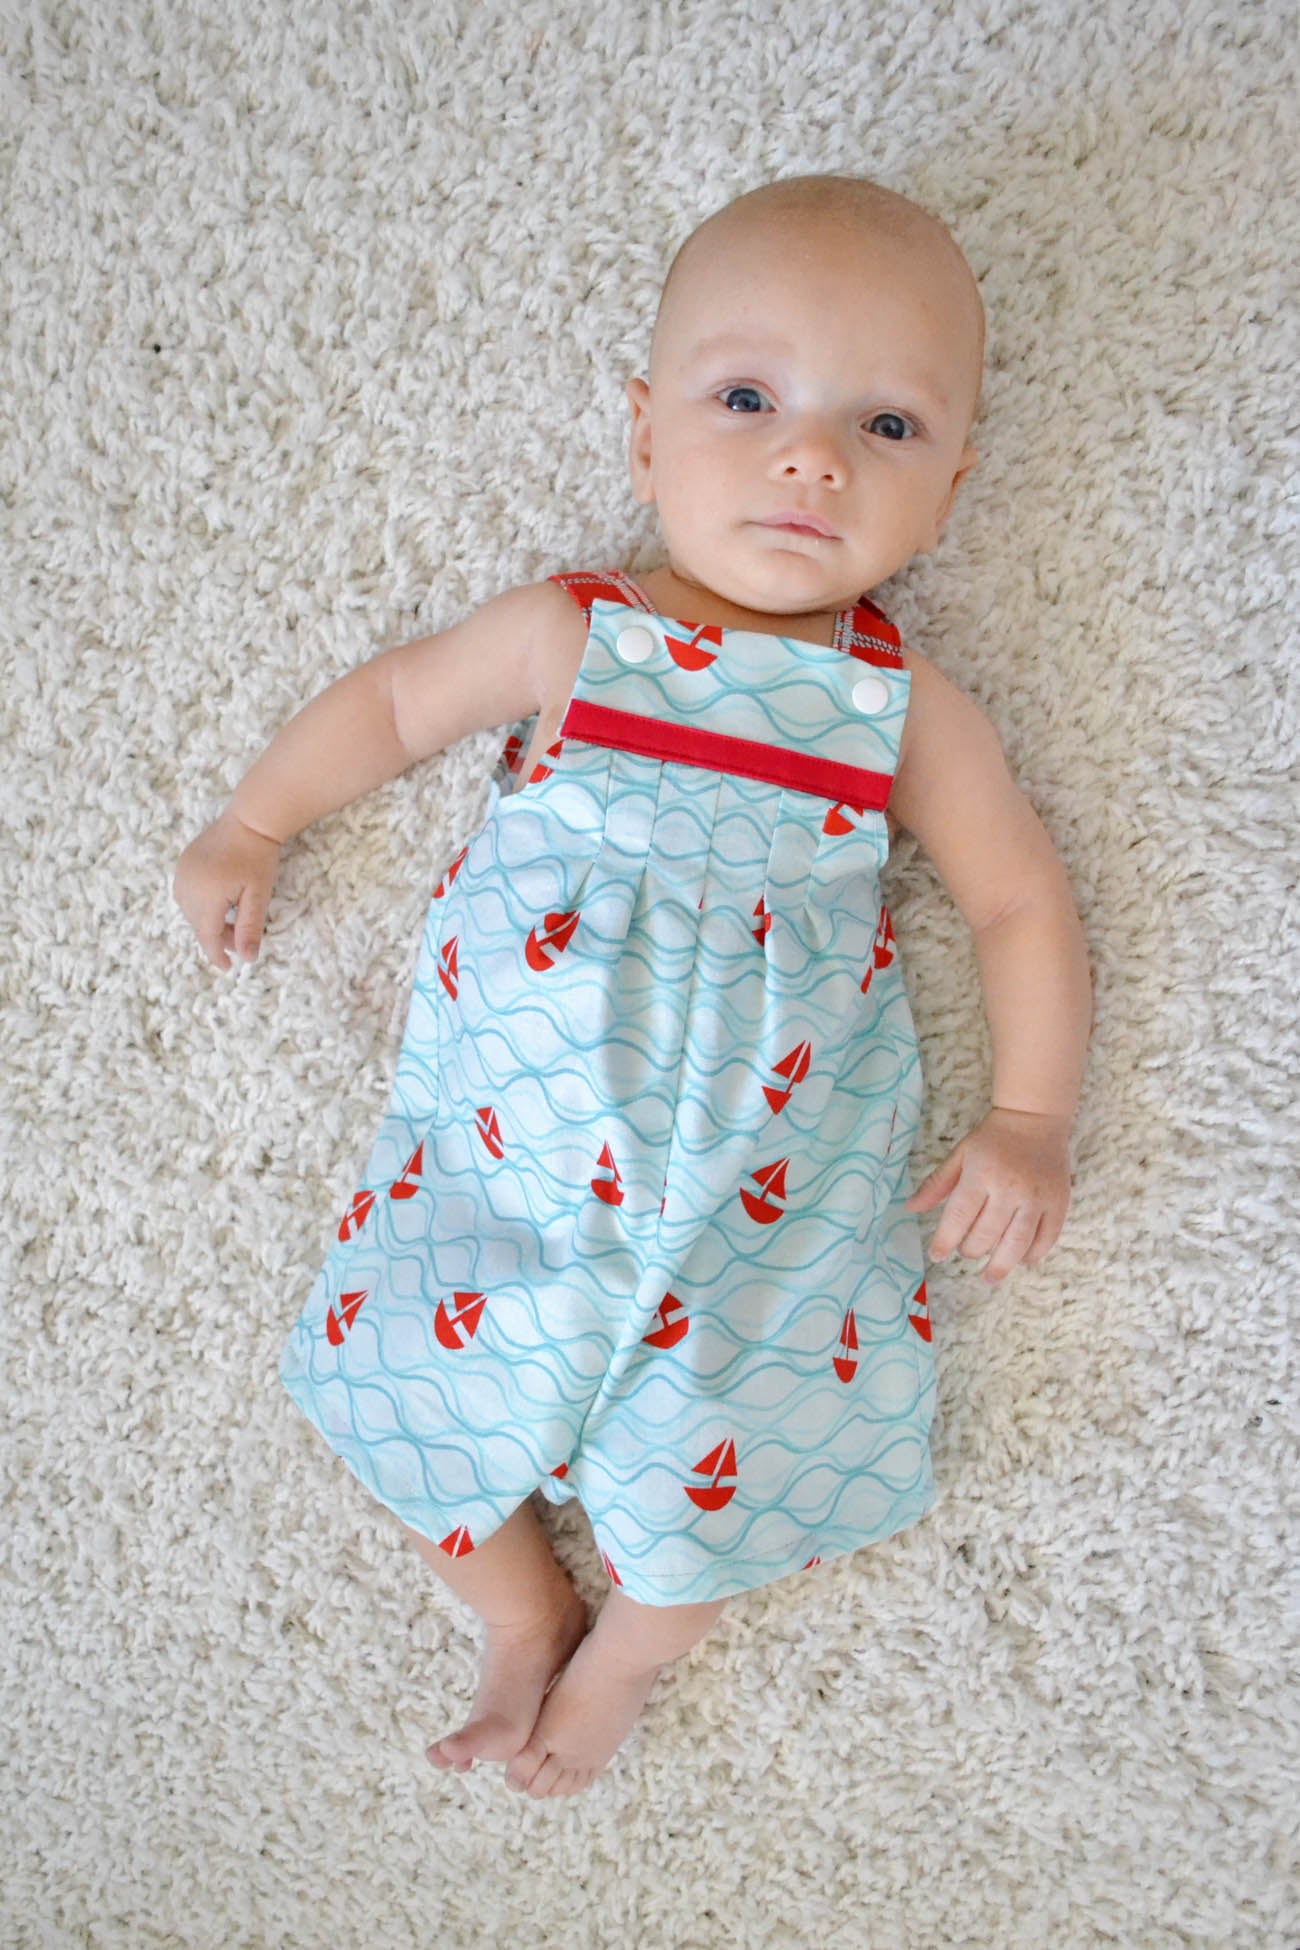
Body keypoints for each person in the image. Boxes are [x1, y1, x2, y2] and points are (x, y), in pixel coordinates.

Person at [172, 172, 1093, 1800]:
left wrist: (1031, 1114)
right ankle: (520, 1611)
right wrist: (255, 821)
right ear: (643, 435)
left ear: (950, 491)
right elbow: (394, 708)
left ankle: (628, 1652)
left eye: (884, 425)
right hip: (518, 1159)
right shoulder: (573, 635)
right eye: (746, 400)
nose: (810, 458)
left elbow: (1019, 898)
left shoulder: (900, 708)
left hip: (756, 1195)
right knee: (402, 1383)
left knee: (733, 1463)